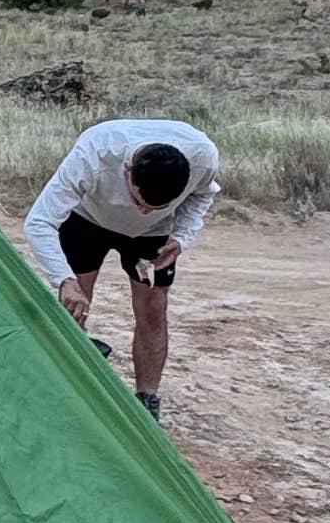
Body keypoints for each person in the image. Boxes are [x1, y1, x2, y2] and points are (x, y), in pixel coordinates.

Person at [19, 115, 221, 423]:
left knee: (153, 308)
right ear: (127, 170)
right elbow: (38, 222)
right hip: (88, 221)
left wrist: (180, 238)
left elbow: (203, 196)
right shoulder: (95, 151)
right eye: (140, 201)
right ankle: (72, 391)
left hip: (154, 236)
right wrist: (64, 280)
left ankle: (147, 400)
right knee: (74, 305)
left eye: (155, 206)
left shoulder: (203, 156)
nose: (142, 211)